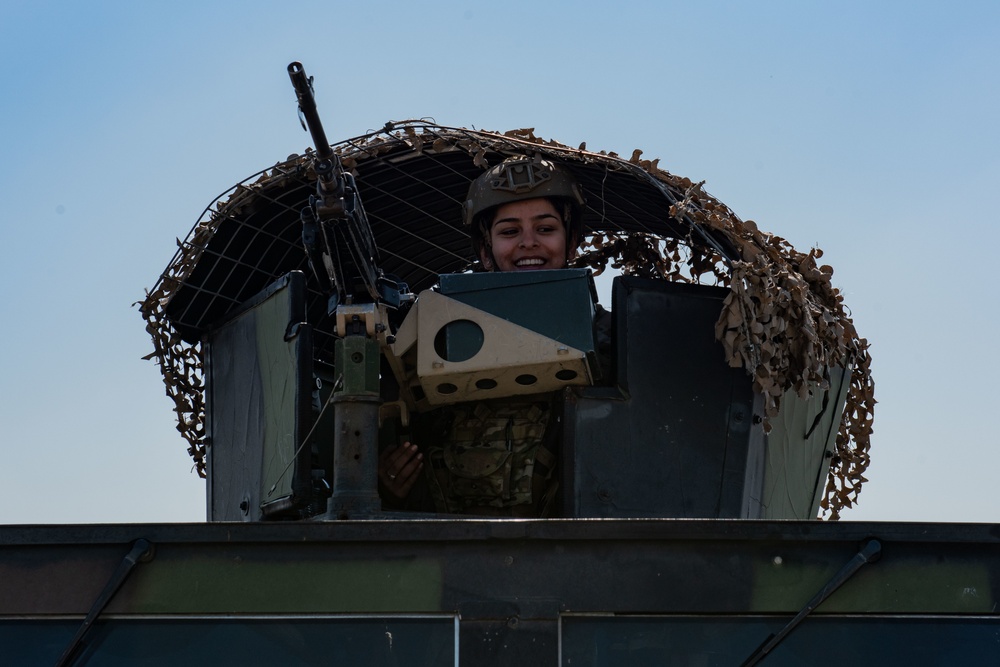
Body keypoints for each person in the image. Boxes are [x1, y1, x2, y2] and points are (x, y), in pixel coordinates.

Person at [378, 156, 590, 516]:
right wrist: (386, 489)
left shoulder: (608, 337)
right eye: (509, 232)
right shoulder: (434, 338)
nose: (528, 243)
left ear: (571, 244)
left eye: (545, 228)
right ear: (485, 253)